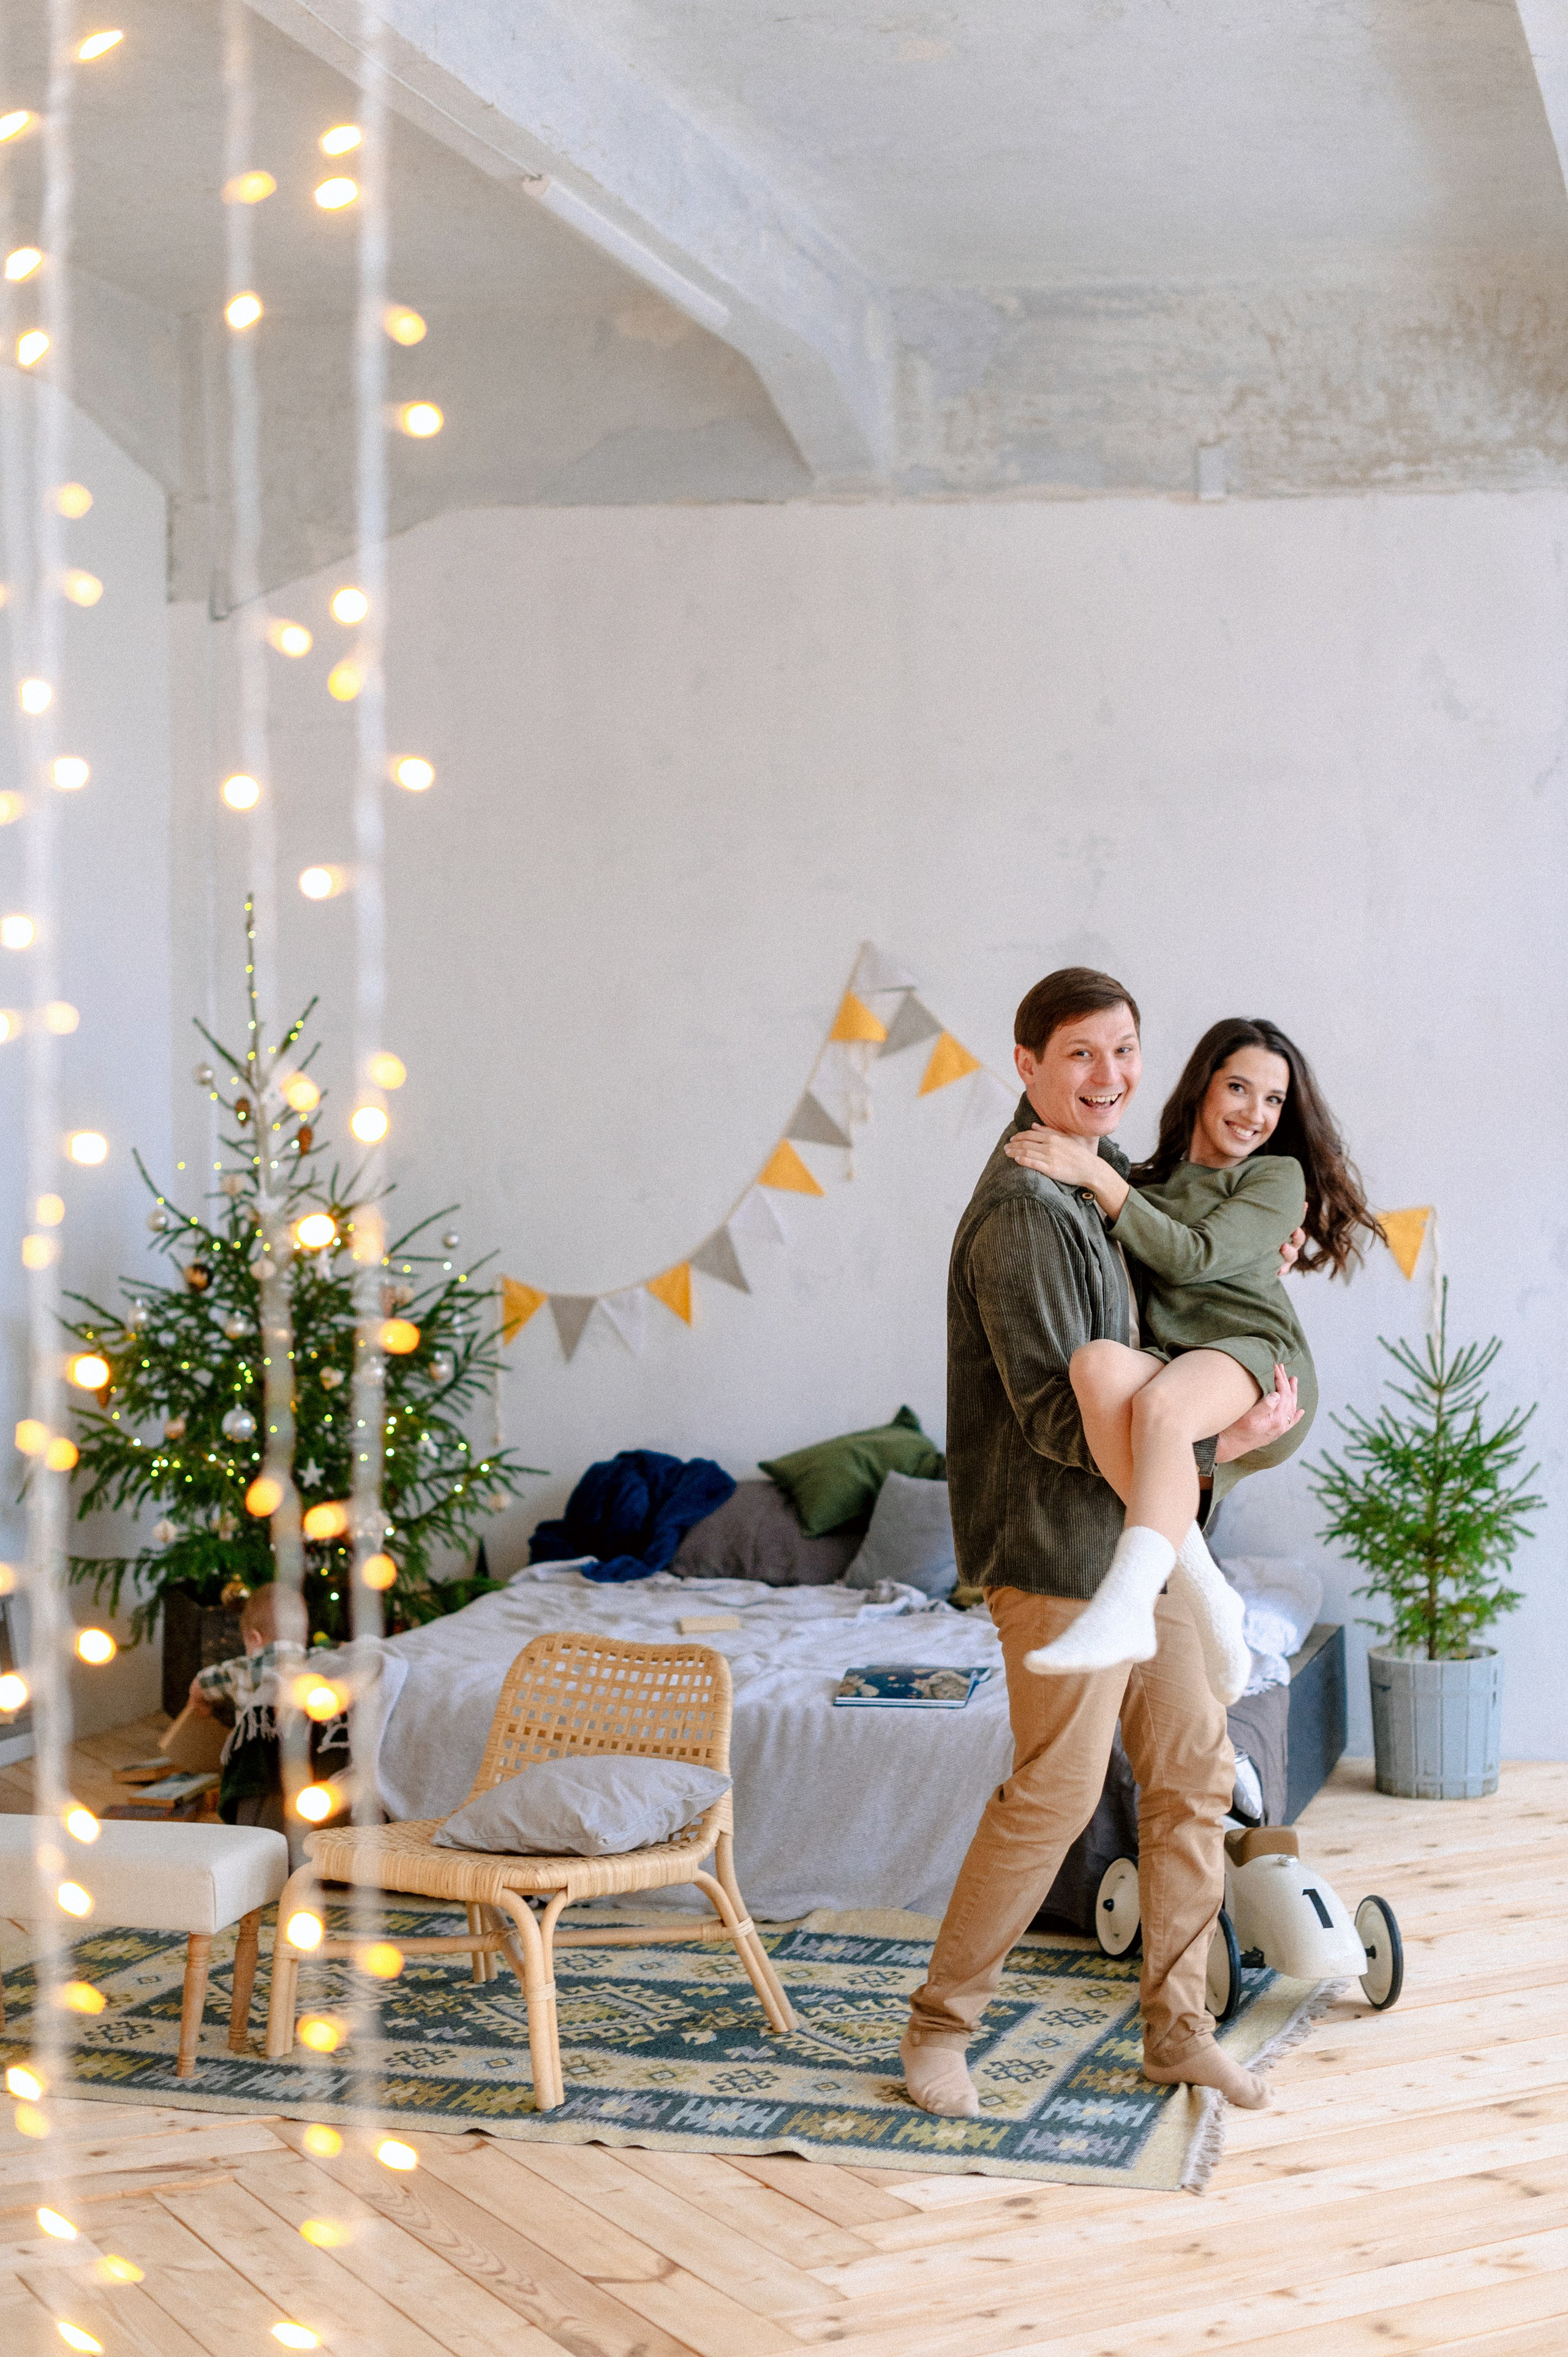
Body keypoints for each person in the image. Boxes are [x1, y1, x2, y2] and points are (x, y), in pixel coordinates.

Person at [902, 969, 1302, 2123]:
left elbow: (1196, 1259)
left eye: (1125, 1049)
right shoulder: (1023, 1209)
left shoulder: (1104, 1174)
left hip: (1138, 1534)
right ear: (1025, 1064)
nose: (1110, 1075)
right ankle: (940, 2027)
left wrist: (1267, 1266)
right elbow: (1049, 1414)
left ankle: (1178, 2033)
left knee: (1194, 1776)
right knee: (1059, 1790)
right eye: (1081, 1053)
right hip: (1050, 1545)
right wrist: (1214, 1440)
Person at [1007, 1017, 1378, 1683]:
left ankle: (1124, 1606)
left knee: (1161, 1405)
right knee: (1094, 1365)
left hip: (1255, 1354)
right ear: (1202, 1087)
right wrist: (1105, 1180)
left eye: (1273, 1099)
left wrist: (1094, 1174)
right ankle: (1210, 1594)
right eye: (1239, 1087)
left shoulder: (1275, 1176)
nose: (1255, 1113)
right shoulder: (1146, 1184)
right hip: (1177, 1358)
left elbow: (1194, 1257)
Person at [187, 1580, 308, 1830]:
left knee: (252, 1827)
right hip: (302, 1772)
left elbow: (200, 1684)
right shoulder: (317, 1664)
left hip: (255, 1776)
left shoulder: (241, 1670)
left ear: (254, 1638)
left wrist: (198, 1703)